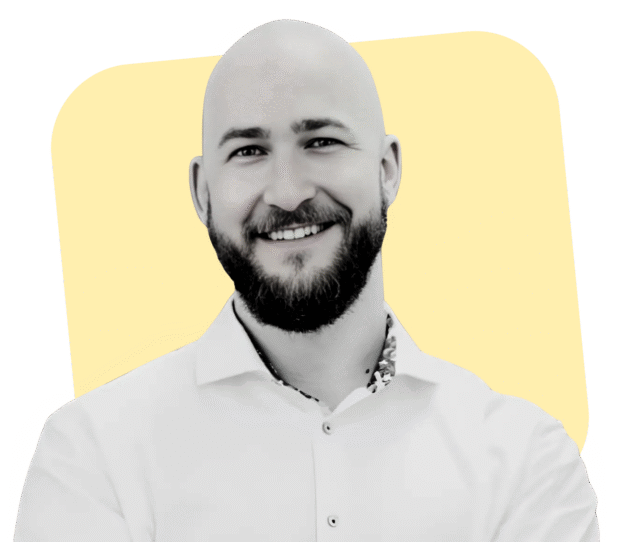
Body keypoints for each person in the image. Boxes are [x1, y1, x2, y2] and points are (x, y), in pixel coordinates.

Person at [14, 20, 598, 541]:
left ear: (387, 169)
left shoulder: (525, 460)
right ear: (201, 191)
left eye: (321, 142)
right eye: (248, 151)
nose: (288, 192)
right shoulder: (94, 456)